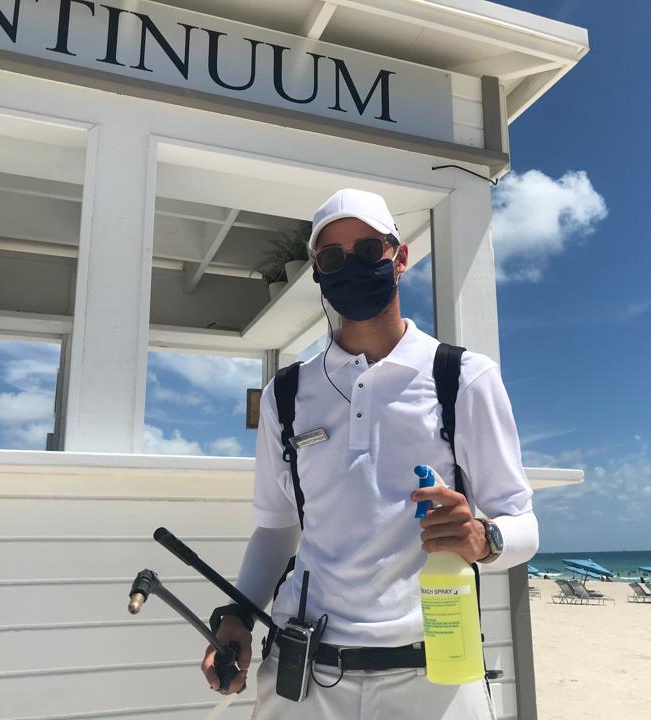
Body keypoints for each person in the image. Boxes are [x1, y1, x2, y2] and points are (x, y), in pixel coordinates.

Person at [201, 188, 540, 720]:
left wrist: (484, 536)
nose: (350, 265)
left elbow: (522, 523)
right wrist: (238, 616)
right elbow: (276, 529)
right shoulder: (285, 395)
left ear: (399, 258)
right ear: (317, 271)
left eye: (367, 250)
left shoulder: (463, 378)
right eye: (331, 257)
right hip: (304, 680)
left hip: (436, 676)